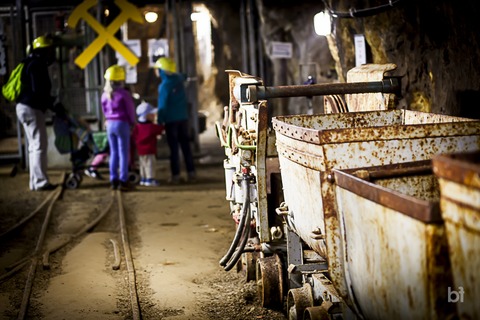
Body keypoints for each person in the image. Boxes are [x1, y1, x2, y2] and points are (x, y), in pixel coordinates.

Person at [16, 35, 58, 191]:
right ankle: (40, 182)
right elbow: (38, 90)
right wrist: (51, 104)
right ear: (44, 50)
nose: (51, 53)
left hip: (24, 107)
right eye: (49, 50)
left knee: (34, 146)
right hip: (31, 108)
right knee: (39, 146)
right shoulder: (36, 65)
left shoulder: (29, 62)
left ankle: (35, 182)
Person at [154, 57, 196, 184]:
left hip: (171, 121)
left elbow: (163, 106)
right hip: (183, 119)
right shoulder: (178, 80)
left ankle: (176, 176)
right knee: (186, 147)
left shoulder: (164, 86)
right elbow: (183, 75)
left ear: (162, 71)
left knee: (174, 149)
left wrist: (159, 120)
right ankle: (191, 173)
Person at [101, 64, 137, 191]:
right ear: (121, 80)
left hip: (110, 125)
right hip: (122, 124)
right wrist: (132, 122)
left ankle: (113, 180)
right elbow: (130, 110)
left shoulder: (105, 95)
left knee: (113, 153)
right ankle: (123, 180)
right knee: (123, 153)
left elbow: (104, 111)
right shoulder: (124, 94)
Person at [132, 101, 164, 186]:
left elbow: (134, 136)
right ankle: (150, 179)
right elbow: (160, 129)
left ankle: (143, 178)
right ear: (146, 116)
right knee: (150, 164)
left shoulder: (137, 126)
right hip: (149, 150)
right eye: (151, 114)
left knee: (142, 165)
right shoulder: (151, 127)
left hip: (140, 150)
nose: (154, 115)